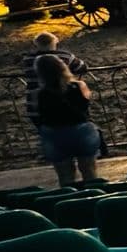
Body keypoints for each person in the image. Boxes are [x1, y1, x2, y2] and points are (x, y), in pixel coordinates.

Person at [33, 53, 100, 186]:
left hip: (55, 133)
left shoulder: (40, 94)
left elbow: (40, 115)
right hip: (81, 130)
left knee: (65, 175)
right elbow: (86, 104)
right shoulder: (79, 86)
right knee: (89, 171)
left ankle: (71, 199)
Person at [21, 32, 89, 127]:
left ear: (36, 44)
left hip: (34, 104)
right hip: (63, 104)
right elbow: (82, 67)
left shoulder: (28, 59)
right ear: (54, 42)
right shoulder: (65, 56)